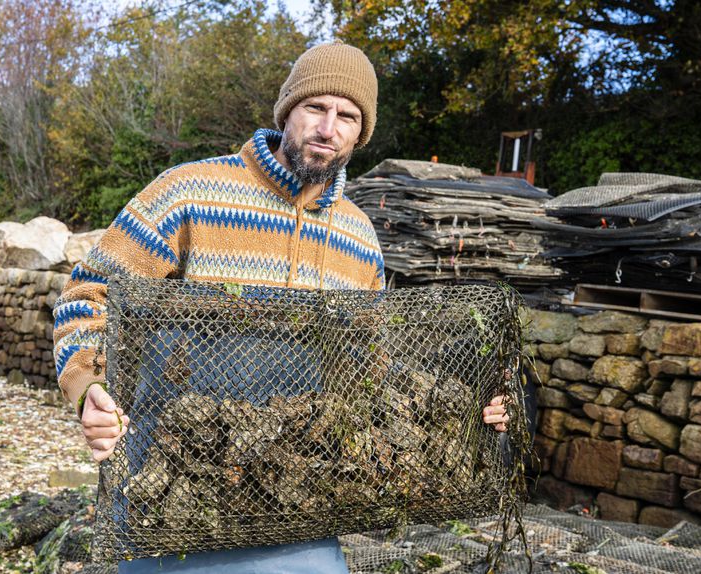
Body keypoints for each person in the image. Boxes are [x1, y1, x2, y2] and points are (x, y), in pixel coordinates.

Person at [52, 41, 511, 573]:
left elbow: (370, 369)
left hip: (298, 498)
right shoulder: (190, 192)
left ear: (360, 134)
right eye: (316, 107)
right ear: (287, 110)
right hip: (175, 485)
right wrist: (90, 388)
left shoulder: (358, 237)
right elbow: (87, 295)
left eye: (348, 116)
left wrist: (455, 411)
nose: (328, 127)